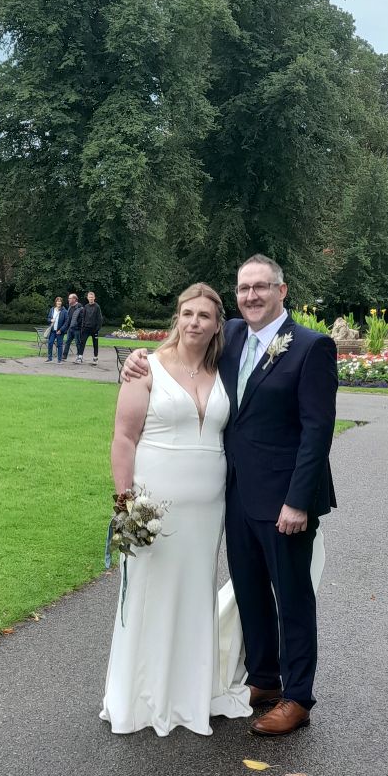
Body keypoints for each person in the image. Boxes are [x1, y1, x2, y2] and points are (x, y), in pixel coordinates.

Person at [122, 254, 337, 738]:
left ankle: (298, 697)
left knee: (293, 597)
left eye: (262, 286)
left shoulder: (310, 347)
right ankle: (263, 678)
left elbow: (317, 431)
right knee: (249, 591)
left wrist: (299, 501)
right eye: (244, 288)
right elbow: (185, 350)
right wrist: (141, 360)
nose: (252, 295)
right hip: (235, 495)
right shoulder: (234, 336)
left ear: (283, 291)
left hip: (285, 499)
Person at [101, 284, 252, 737]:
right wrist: (125, 504)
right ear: (177, 317)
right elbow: (124, 438)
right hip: (154, 506)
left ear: (217, 324)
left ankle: (190, 693)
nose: (195, 323)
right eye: (188, 313)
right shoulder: (146, 366)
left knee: (193, 595)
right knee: (148, 596)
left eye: (205, 316)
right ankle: (139, 697)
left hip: (209, 510)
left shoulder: (225, 370)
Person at [79, 291, 103, 364]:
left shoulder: (97, 307)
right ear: (87, 298)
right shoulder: (86, 306)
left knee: (95, 344)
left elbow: (100, 318)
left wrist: (97, 328)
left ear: (94, 298)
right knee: (82, 342)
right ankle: (80, 357)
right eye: (89, 297)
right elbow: (83, 317)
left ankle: (95, 358)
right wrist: (82, 327)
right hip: (86, 328)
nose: (91, 299)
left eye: (92, 297)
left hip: (94, 329)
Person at [61, 293, 83, 363]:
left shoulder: (80, 308)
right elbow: (68, 319)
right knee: (67, 342)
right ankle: (64, 356)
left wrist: (77, 325)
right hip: (70, 329)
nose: (68, 300)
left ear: (74, 299)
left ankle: (79, 357)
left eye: (70, 298)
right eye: (69, 298)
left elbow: (82, 319)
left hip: (77, 329)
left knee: (78, 343)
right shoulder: (70, 307)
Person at [46, 296, 68, 362]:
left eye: (60, 301)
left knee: (59, 345)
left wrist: (61, 330)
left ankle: (59, 360)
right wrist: (50, 320)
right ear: (55, 302)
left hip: (60, 331)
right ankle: (49, 358)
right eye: (57, 301)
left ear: (61, 303)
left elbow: (66, 322)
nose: (59, 302)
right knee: (50, 343)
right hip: (52, 331)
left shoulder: (64, 311)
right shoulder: (52, 309)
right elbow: (48, 319)